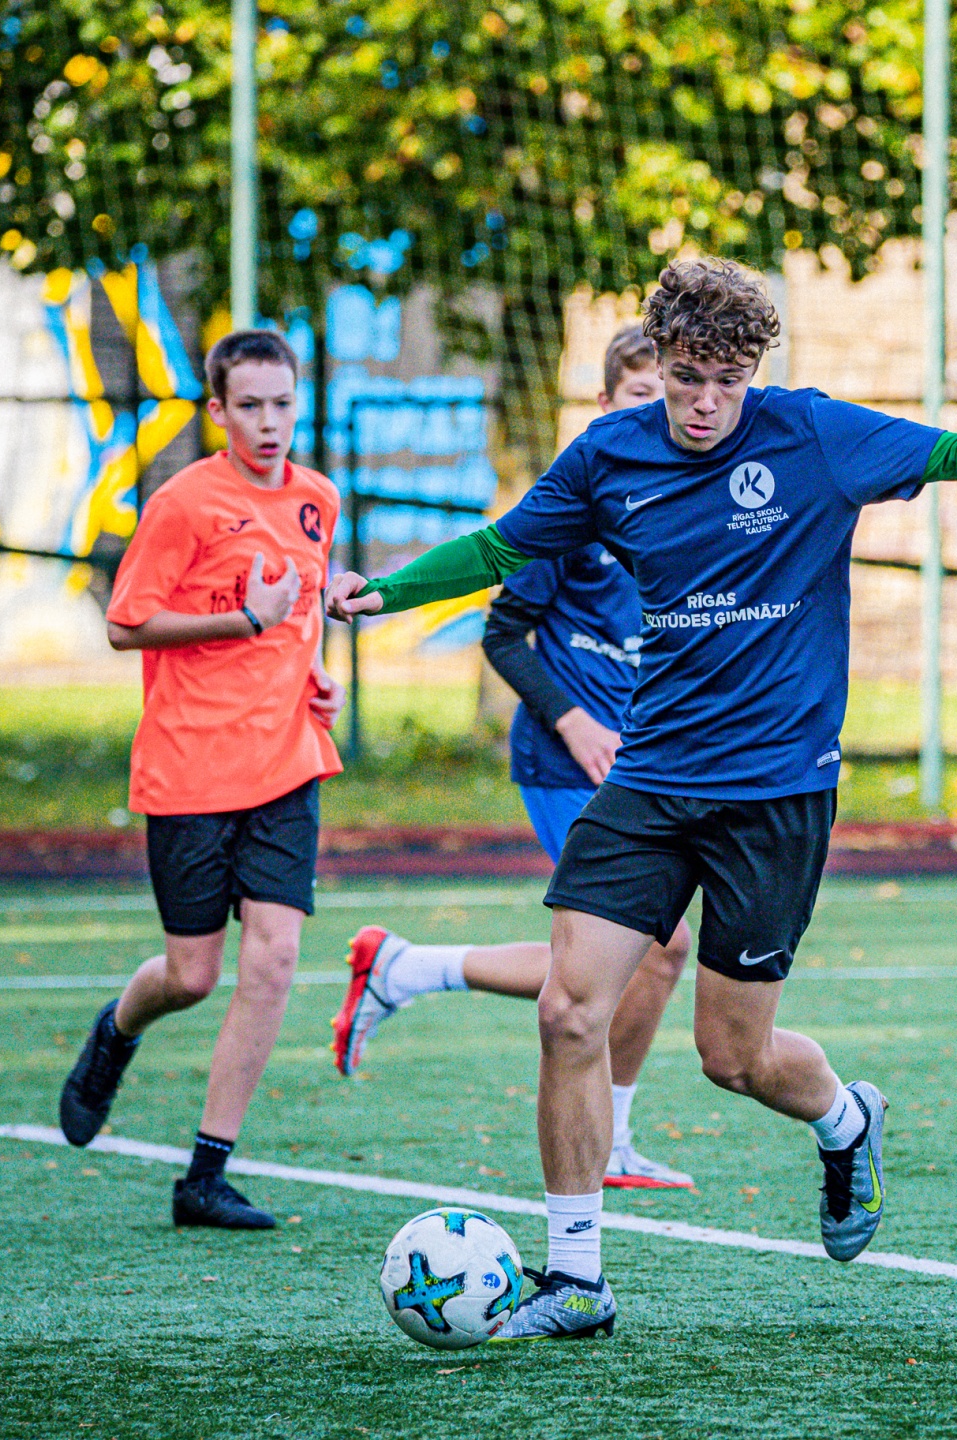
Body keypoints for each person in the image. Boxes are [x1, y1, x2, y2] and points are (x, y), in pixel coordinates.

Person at [327, 258, 957, 1339]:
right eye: (686, 378)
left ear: (754, 372)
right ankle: (577, 1281)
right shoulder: (609, 455)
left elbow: (954, 449)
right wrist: (388, 589)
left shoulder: (811, 433)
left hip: (775, 794)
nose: (702, 403)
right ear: (661, 361)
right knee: (568, 1010)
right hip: (649, 780)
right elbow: (501, 548)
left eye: (726, 382)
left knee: (734, 1058)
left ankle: (844, 1119)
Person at [328, 327, 696, 1191]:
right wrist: (574, 722)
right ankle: (603, 1141)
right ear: (604, 405)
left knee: (650, 952)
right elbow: (503, 634)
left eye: (668, 397)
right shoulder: (581, 503)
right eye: (639, 396)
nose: (659, 413)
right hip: (569, 762)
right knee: (653, 943)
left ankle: (406, 969)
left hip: (642, 762)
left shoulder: (690, 505)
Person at [56, 329, 345, 1231]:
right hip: (189, 767)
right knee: (191, 976)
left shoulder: (318, 498)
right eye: (249, 406)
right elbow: (125, 624)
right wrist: (243, 624)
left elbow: (300, 612)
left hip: (287, 760)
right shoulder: (182, 504)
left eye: (282, 404)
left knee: (276, 955)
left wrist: (316, 673)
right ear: (218, 411)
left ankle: (205, 1175)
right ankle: (116, 1032)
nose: (269, 422)